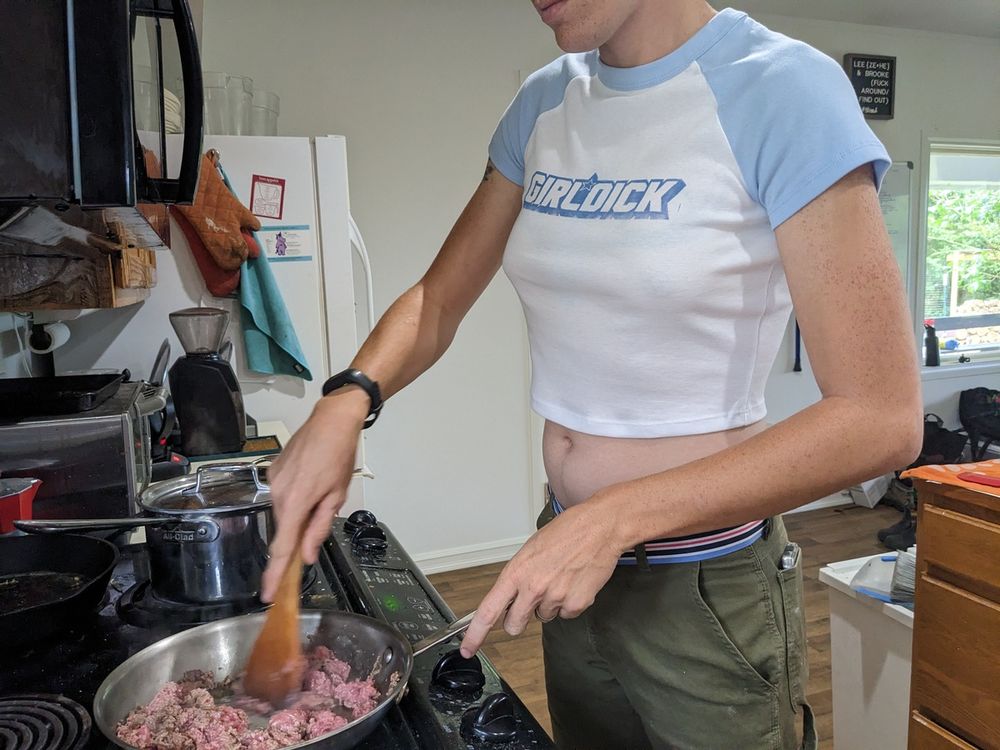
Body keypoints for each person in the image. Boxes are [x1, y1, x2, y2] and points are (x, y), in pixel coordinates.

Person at [261, 1, 922, 747]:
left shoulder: (783, 88)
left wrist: (614, 518)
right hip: (571, 561)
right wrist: (347, 400)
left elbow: (880, 418)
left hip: (703, 588)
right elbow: (440, 298)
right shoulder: (545, 100)